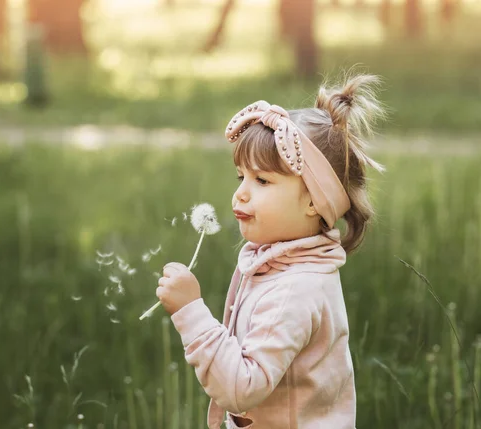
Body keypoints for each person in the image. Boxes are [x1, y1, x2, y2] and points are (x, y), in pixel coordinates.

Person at [155, 72, 387, 429]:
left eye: (262, 181)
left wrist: (191, 313)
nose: (241, 194)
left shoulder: (293, 289)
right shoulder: (283, 266)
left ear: (314, 200)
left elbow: (241, 388)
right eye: (241, 177)